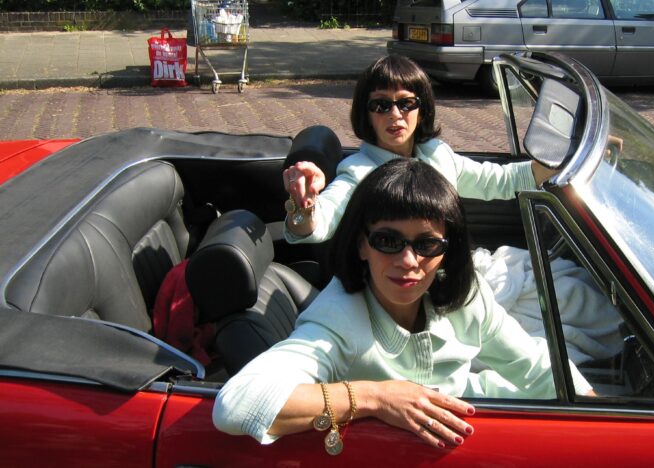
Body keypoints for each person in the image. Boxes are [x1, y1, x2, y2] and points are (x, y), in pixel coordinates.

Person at [214, 159, 589, 451]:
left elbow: (536, 368)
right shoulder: (338, 319)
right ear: (361, 244)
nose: (409, 261)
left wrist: (593, 405)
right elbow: (237, 404)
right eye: (388, 241)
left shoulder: (466, 297)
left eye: (427, 244)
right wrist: (375, 396)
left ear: (447, 250)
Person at [281, 54, 558, 243]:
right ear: (366, 114)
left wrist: (561, 160)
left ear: (422, 109)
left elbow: (498, 180)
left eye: (406, 103)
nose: (395, 115)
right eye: (381, 105)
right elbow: (320, 223)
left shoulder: (437, 153)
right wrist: (304, 205)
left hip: (454, 271)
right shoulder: (358, 172)